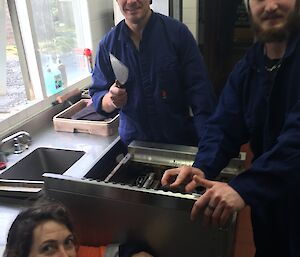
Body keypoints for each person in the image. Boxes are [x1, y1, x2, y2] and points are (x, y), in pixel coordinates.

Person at [161, 0, 300, 256]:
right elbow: (224, 125)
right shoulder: (250, 66)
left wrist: (243, 188)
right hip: (269, 208)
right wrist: (202, 167)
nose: (269, 6)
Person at [89, 0, 215, 146]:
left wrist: (207, 145)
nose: (131, 1)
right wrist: (112, 99)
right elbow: (98, 96)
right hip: (135, 146)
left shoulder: (177, 34)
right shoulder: (108, 46)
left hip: (179, 142)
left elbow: (201, 94)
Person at [4, 198, 153, 257]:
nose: (65, 255)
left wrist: (133, 253)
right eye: (48, 248)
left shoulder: (75, 251)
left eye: (68, 242)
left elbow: (111, 252)